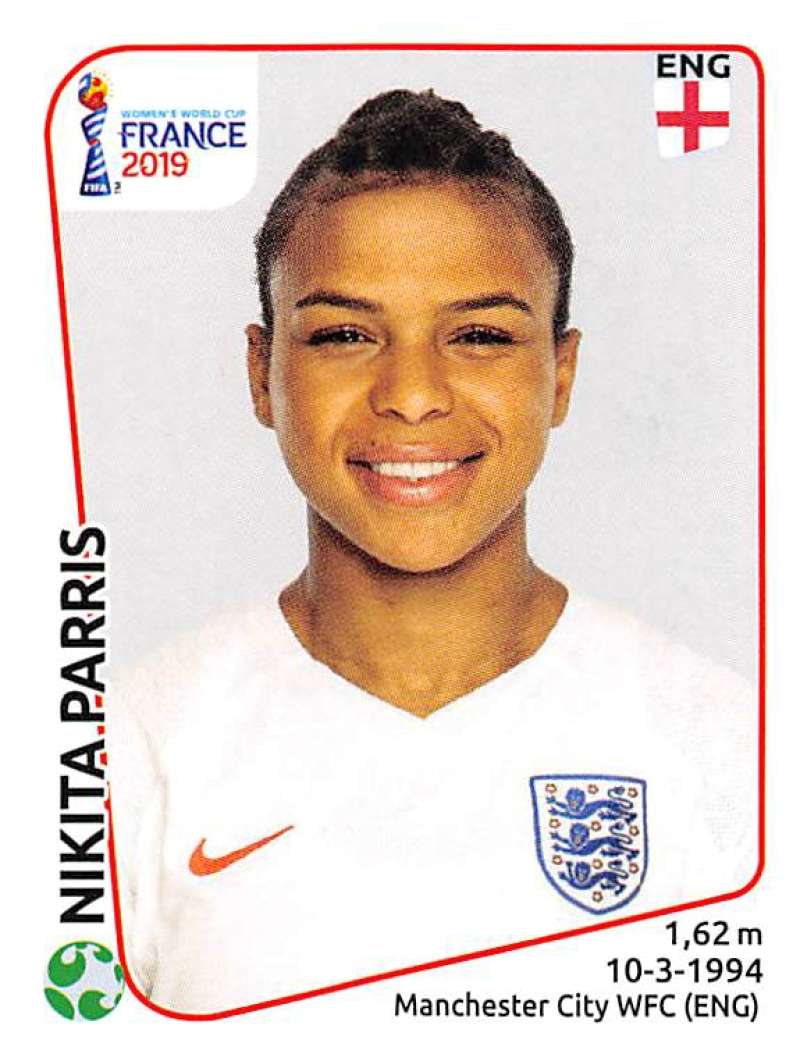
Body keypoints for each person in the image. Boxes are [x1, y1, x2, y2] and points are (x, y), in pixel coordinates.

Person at [110, 89, 756, 1015]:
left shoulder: (727, 750)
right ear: (262, 373)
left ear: (560, 374)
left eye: (480, 335)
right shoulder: (129, 752)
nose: (412, 395)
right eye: (344, 334)